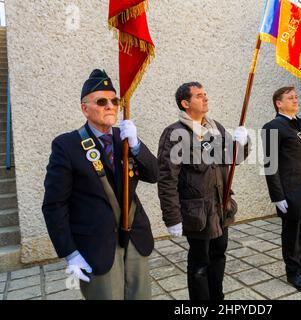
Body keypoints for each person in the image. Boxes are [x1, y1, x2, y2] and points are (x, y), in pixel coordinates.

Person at [42, 69, 159, 299]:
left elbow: (154, 174)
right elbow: (54, 205)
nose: (110, 106)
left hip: (135, 238)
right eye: (102, 101)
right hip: (97, 245)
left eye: (115, 101)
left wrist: (136, 145)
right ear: (85, 108)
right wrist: (70, 252)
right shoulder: (67, 145)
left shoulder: (124, 137)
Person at [157, 82, 249, 300]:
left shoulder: (213, 126)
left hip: (221, 206)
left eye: (205, 94)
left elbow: (235, 159)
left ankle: (217, 298)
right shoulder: (175, 133)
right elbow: (167, 179)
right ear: (185, 103)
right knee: (200, 263)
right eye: (199, 96)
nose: (205, 98)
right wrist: (172, 217)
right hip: (197, 211)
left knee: (219, 255)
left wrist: (242, 143)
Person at [261, 86, 301, 291]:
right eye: (290, 98)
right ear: (279, 103)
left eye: (296, 97)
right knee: (291, 233)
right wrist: (277, 196)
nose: (295, 100)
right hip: (290, 191)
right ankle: (293, 272)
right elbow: (270, 164)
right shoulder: (272, 127)